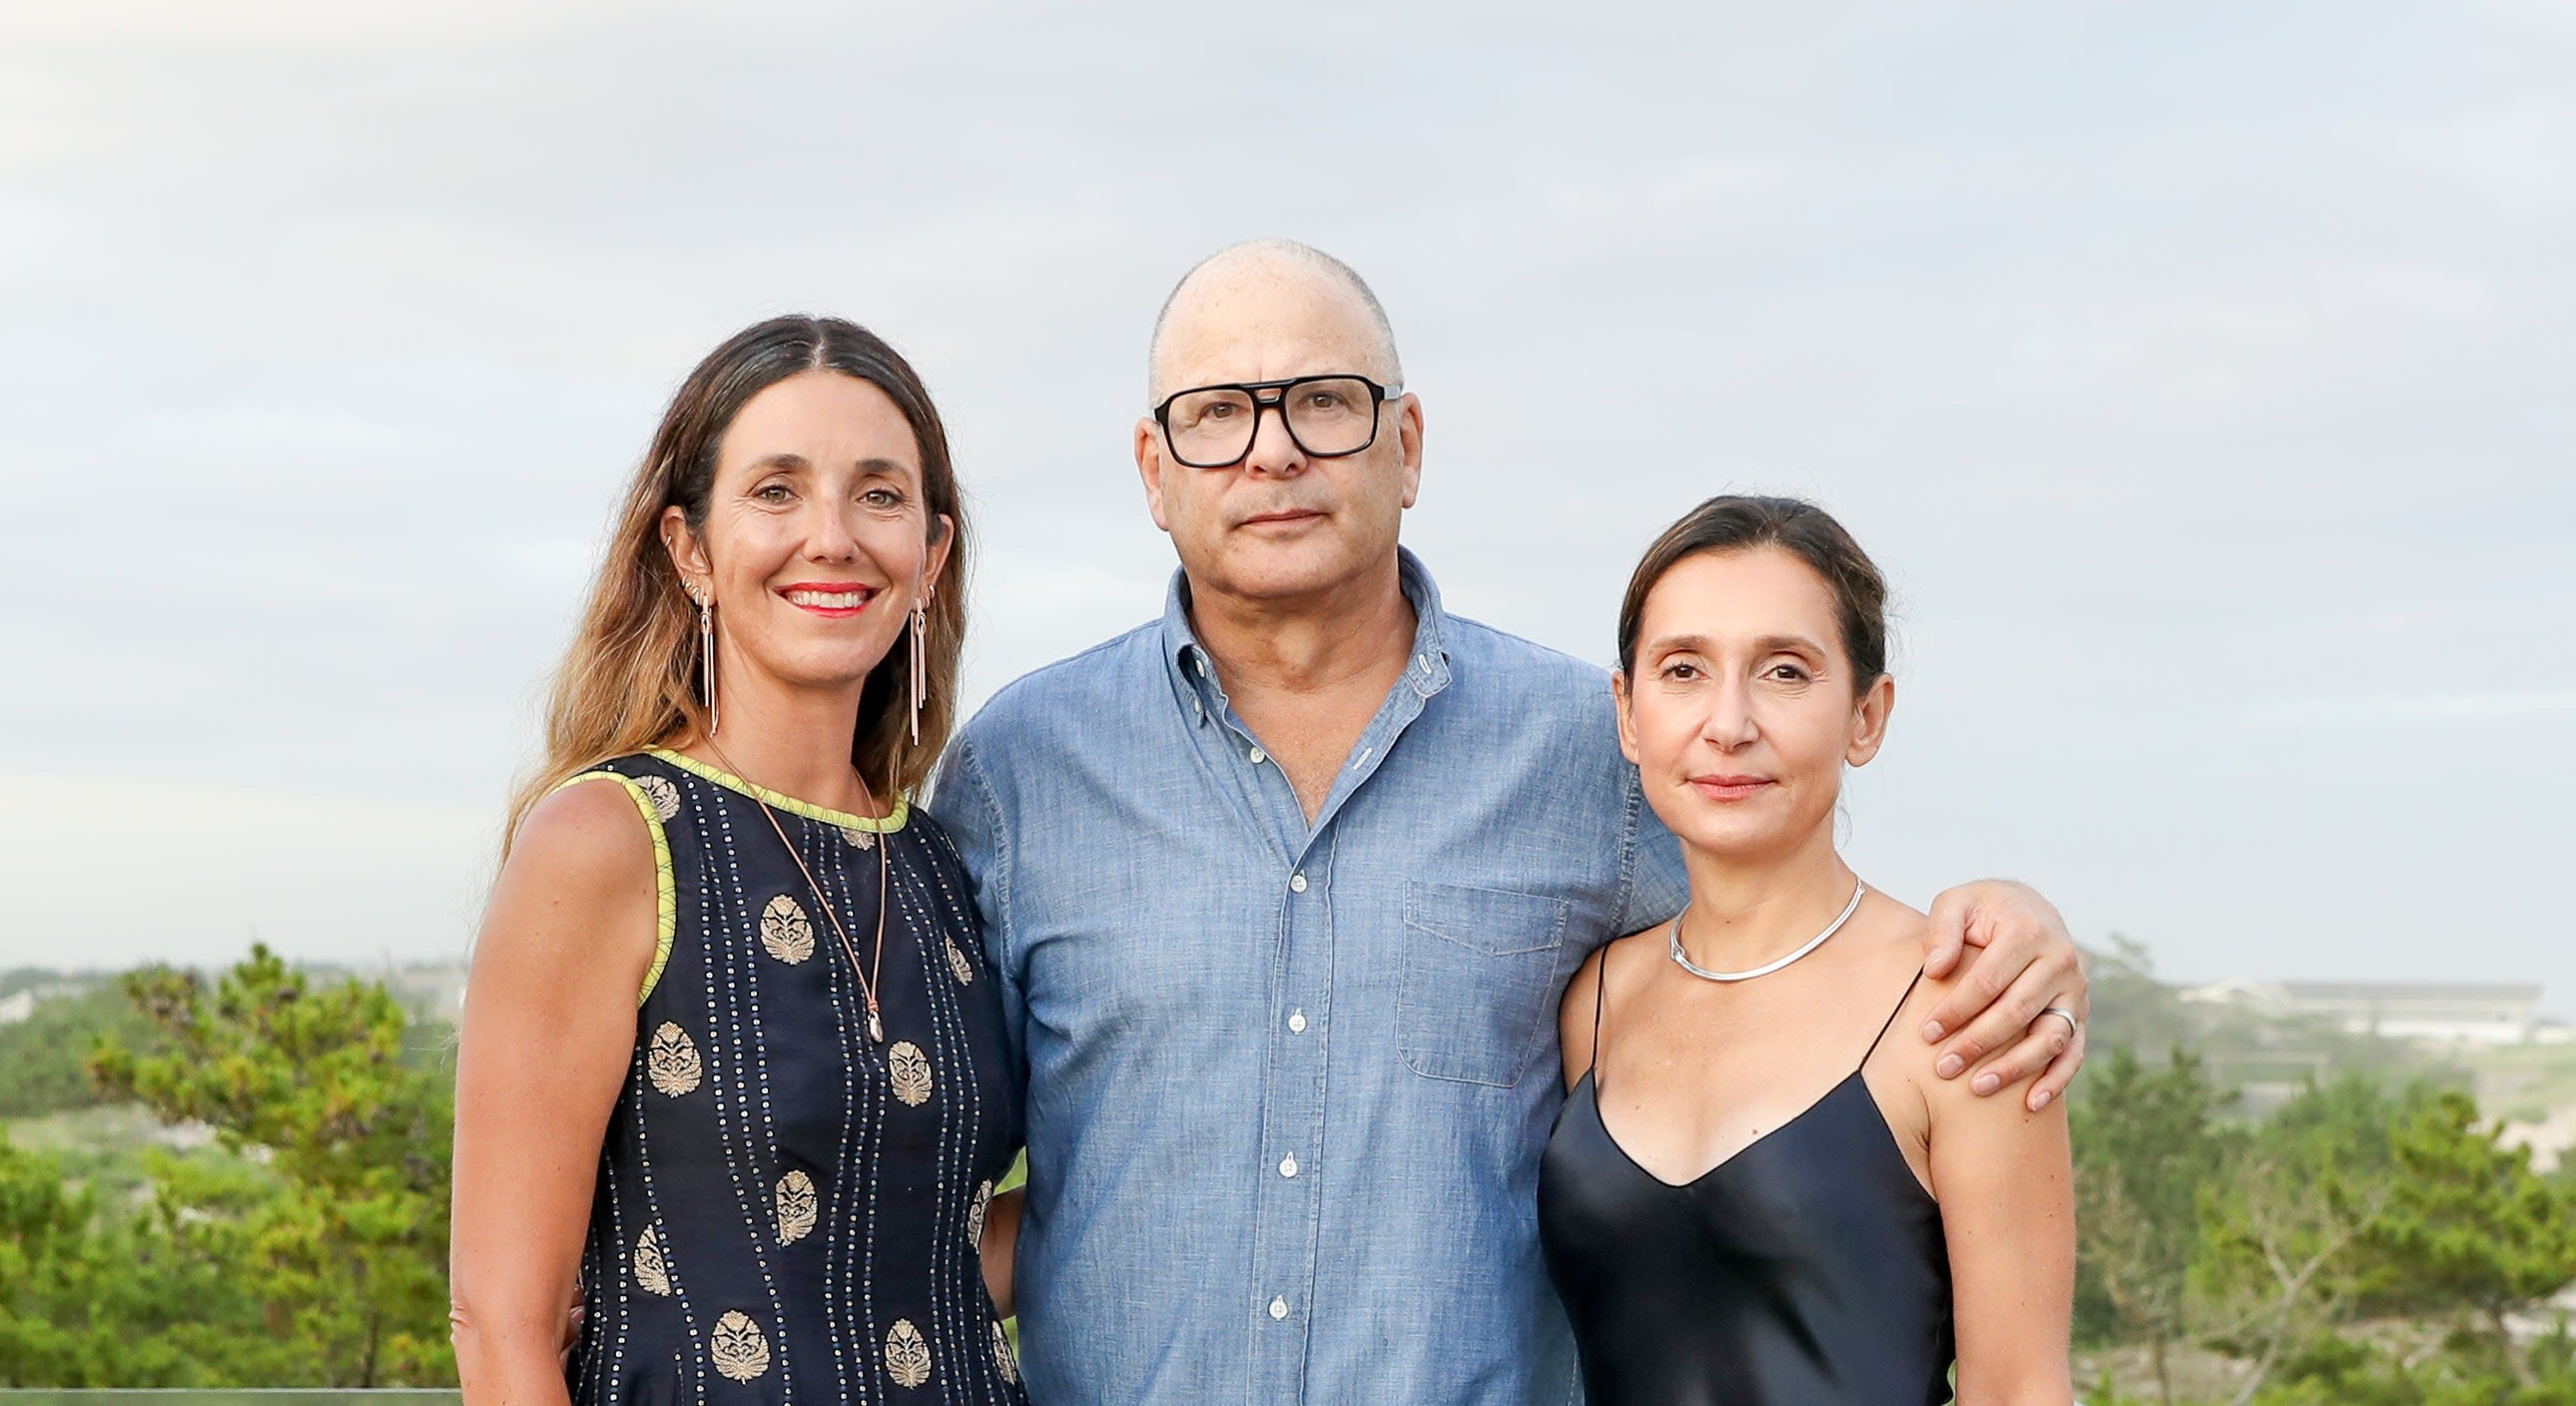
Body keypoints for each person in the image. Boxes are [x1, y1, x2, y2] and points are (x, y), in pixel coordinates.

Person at [931, 240, 2092, 1405]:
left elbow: (1784, 945)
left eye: (1325, 402)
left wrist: (2015, 931)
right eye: (1219, 411)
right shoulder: (1022, 771)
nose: (1272, 448)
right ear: (1153, 465)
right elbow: (928, 1166)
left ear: (1409, 445)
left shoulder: (1587, 754)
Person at [450, 317, 1028, 1406]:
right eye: (776, 490)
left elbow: (930, 1262)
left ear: (931, 555)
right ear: (690, 548)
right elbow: (502, 1326)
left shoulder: (949, 866)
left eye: (878, 493)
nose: (831, 535)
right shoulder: (609, 836)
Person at [1540, 495, 2075, 1405]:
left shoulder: (1961, 1006)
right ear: (1629, 713)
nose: (1729, 722)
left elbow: (2020, 1389)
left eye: (1785, 671)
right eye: (1683, 670)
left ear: (1867, 715)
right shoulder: (1596, 998)